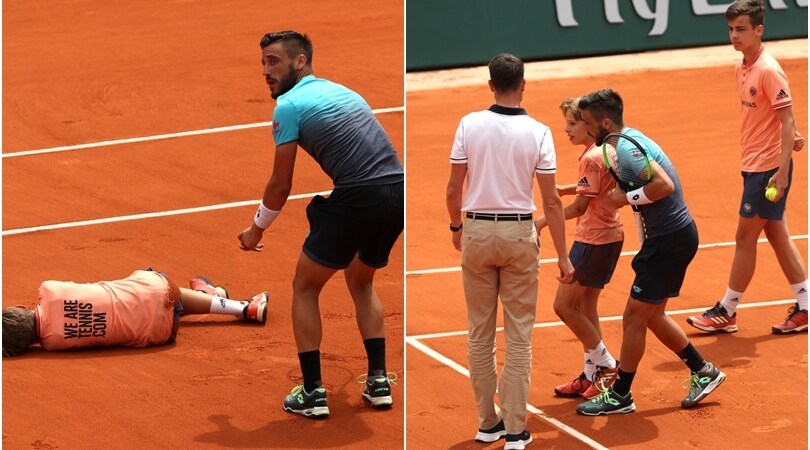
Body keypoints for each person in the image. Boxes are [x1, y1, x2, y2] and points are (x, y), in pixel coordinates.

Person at [237, 31, 404, 419]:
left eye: (273, 61)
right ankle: (378, 381)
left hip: (360, 196)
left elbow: (281, 186)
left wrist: (256, 229)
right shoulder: (344, 92)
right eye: (262, 62)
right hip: (396, 192)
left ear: (300, 62)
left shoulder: (289, 106)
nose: (265, 70)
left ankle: (313, 393)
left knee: (305, 286)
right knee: (361, 280)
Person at [446, 53, 574, 450]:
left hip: (477, 232)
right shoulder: (539, 132)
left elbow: (453, 190)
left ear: (490, 85)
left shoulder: (469, 124)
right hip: (520, 236)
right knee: (519, 335)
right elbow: (551, 202)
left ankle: (488, 424)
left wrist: (457, 227)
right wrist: (563, 255)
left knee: (479, 334)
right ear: (523, 85)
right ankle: (516, 431)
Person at [574, 88, 725, 416]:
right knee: (652, 315)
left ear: (605, 122)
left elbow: (662, 186)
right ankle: (704, 371)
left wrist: (625, 199)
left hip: (670, 240)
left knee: (633, 317)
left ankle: (621, 394)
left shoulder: (623, 149)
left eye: (587, 123)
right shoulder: (624, 139)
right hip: (672, 237)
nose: (585, 129)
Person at [686, 0, 808, 335]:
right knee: (776, 232)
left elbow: (787, 119)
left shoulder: (768, 70)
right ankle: (807, 305)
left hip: (768, 169)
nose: (734, 36)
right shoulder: (741, 67)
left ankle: (727, 310)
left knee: (744, 236)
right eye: (730, 29)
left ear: (758, 30)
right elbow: (780, 121)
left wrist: (782, 171)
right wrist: (792, 135)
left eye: (741, 29)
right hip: (753, 163)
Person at [535, 97, 623, 401]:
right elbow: (597, 185)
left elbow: (581, 206)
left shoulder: (590, 158)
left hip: (594, 240)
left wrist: (543, 220)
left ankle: (607, 366)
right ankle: (592, 374)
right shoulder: (604, 150)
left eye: (572, 124)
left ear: (589, 125)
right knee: (586, 308)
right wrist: (565, 187)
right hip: (609, 238)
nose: (566, 129)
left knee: (563, 306)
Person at [2, 270, 268, 357]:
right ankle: (239, 307)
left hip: (160, 334)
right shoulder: (48, 290)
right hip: (159, 292)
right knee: (147, 290)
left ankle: (214, 297)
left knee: (148, 307)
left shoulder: (53, 344)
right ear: (21, 308)